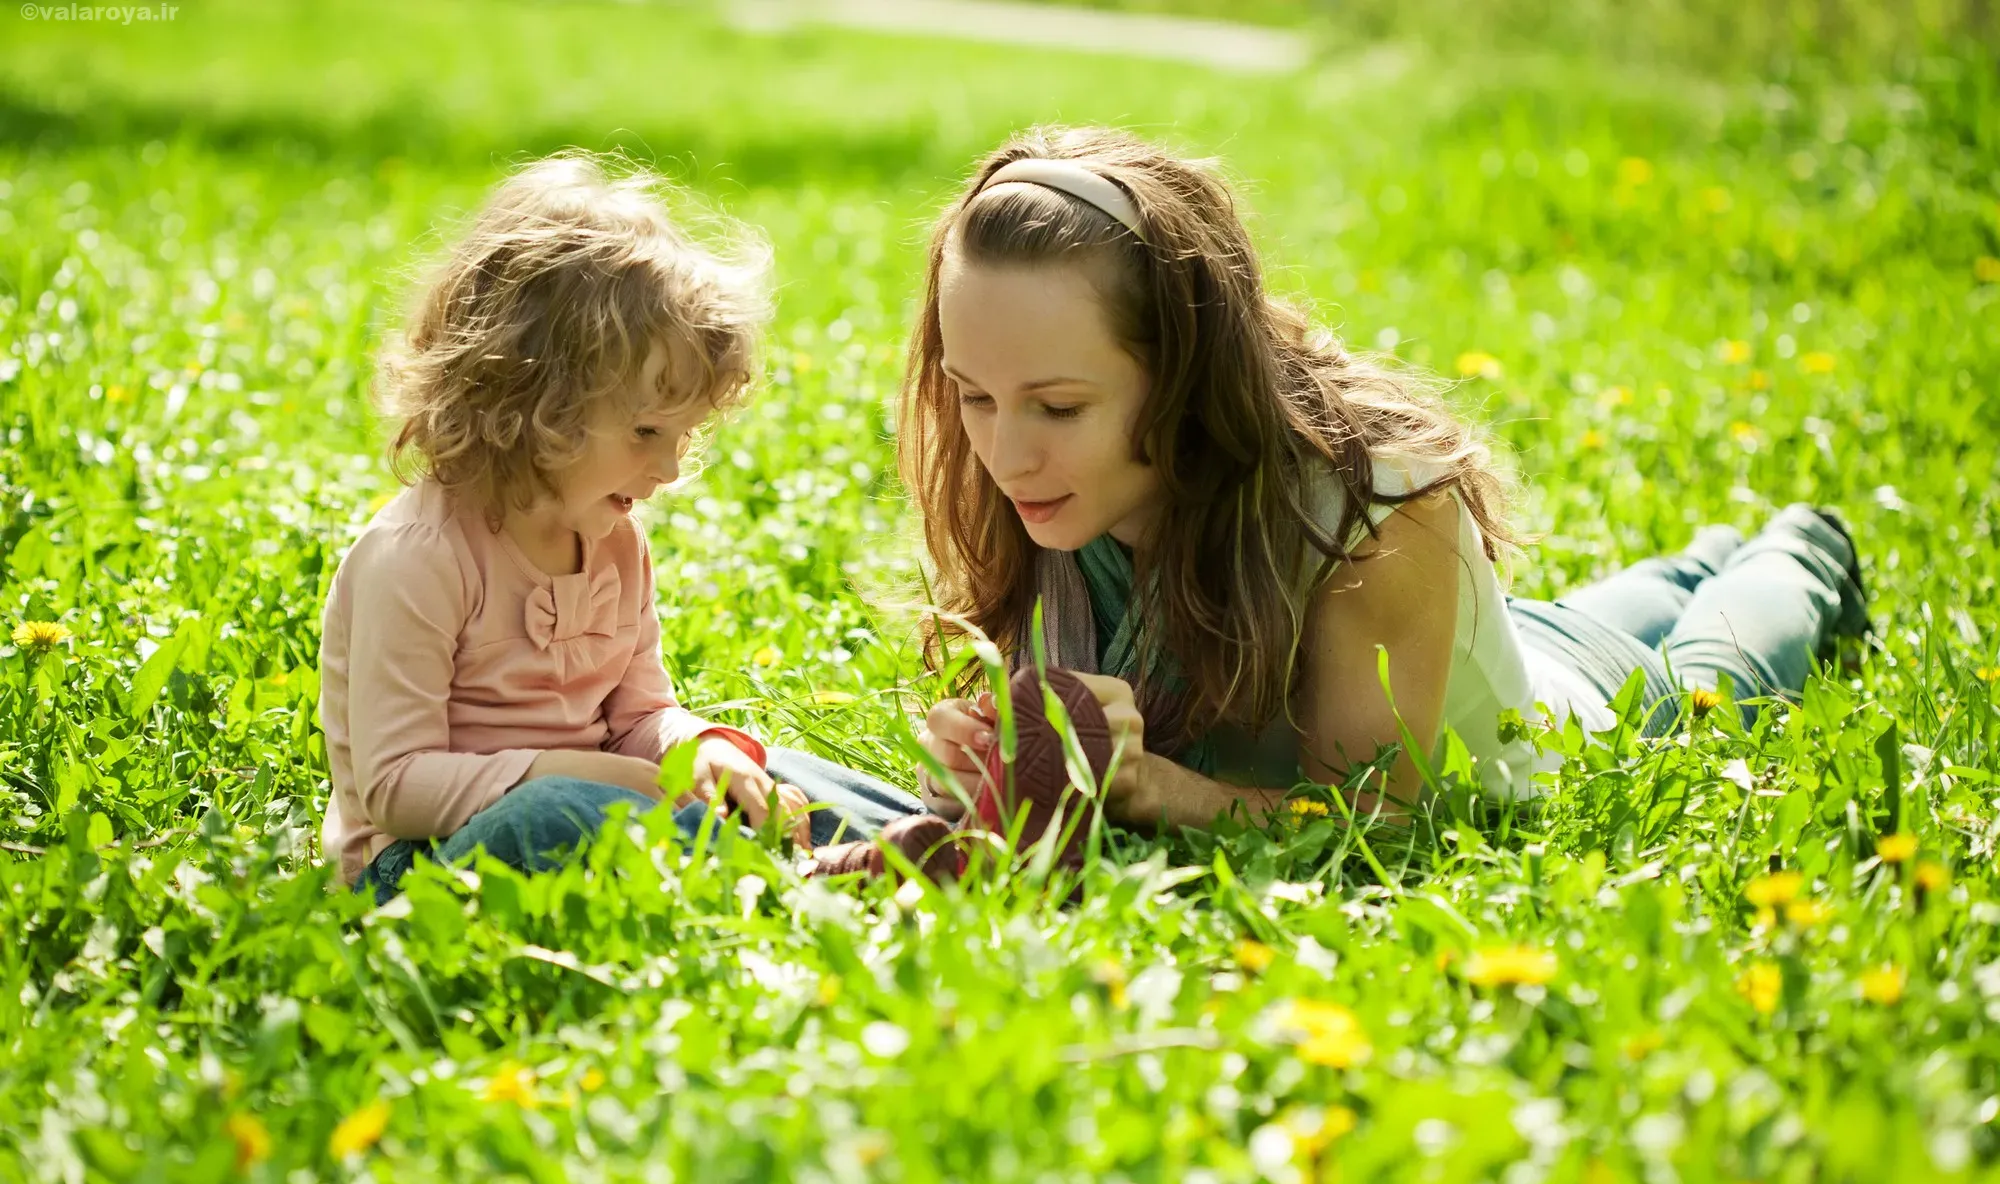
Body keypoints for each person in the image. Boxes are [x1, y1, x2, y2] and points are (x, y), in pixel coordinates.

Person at [901, 127, 1869, 832]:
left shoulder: (1373, 513)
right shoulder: (1046, 490)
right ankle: (1701, 556)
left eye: (1059, 408)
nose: (1005, 452)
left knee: (1708, 676)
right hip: (1474, 645)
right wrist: (992, 754)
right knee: (1606, 610)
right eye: (973, 398)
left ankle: (1802, 544)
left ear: (1187, 378)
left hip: (1558, 718)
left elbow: (1390, 822)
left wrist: (1156, 787)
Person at [319, 153, 920, 903]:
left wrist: (696, 749)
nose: (668, 468)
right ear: (534, 400)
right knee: (556, 813)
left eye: (681, 435)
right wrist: (572, 770)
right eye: (644, 431)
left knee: (764, 768)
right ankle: (792, 884)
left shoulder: (613, 541)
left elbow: (639, 717)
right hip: (424, 869)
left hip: (606, 803)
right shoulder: (418, 559)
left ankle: (942, 842)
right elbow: (395, 788)